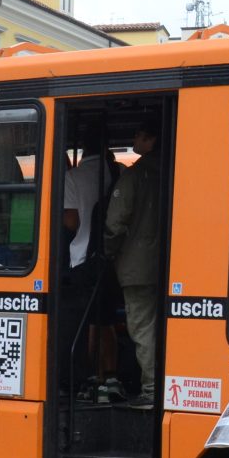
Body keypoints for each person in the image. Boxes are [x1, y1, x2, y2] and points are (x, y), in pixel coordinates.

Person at [105, 119, 164, 408]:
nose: (133, 140)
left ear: (150, 139)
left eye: (138, 135)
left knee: (142, 327)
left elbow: (115, 224)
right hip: (170, 266)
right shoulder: (177, 171)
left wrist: (109, 252)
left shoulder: (134, 176)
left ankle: (153, 390)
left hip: (138, 268)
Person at [62, 136, 124, 403]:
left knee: (86, 323)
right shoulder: (119, 171)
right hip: (114, 259)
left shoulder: (73, 177)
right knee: (107, 321)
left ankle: (92, 379)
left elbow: (71, 221)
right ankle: (110, 377)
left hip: (83, 260)